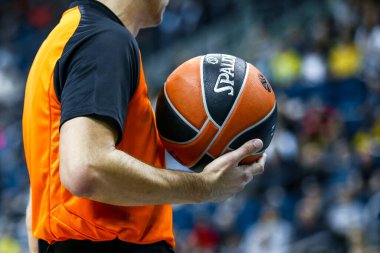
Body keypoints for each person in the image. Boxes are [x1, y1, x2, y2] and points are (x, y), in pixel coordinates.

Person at [22, 0, 266, 252]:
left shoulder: (64, 37)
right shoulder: (105, 39)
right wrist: (204, 187)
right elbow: (86, 168)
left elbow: (34, 212)